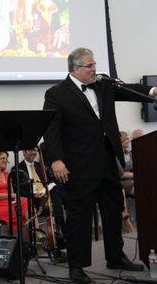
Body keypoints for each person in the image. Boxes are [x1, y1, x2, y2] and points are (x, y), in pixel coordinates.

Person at [43, 47, 157, 284]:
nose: (95, 68)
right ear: (75, 69)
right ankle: (77, 267)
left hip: (106, 159)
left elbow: (128, 90)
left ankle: (115, 256)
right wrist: (55, 159)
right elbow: (51, 129)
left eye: (94, 64)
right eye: (89, 65)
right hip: (78, 164)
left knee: (113, 208)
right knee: (80, 216)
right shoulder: (56, 94)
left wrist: (152, 90)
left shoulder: (103, 85)